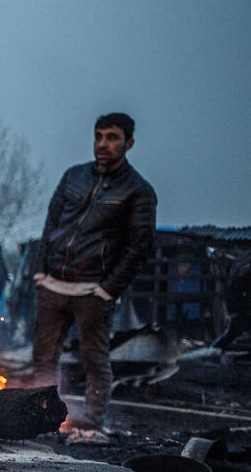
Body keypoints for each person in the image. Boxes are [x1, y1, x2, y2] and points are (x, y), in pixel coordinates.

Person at [30, 112, 157, 441]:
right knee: (43, 359)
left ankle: (90, 426)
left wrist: (108, 289)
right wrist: (40, 272)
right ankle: (38, 419)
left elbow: (139, 246)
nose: (103, 144)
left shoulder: (138, 191)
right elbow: (51, 225)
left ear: (129, 143)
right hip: (53, 285)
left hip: (93, 291)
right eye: (99, 136)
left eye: (112, 137)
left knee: (94, 360)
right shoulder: (74, 176)